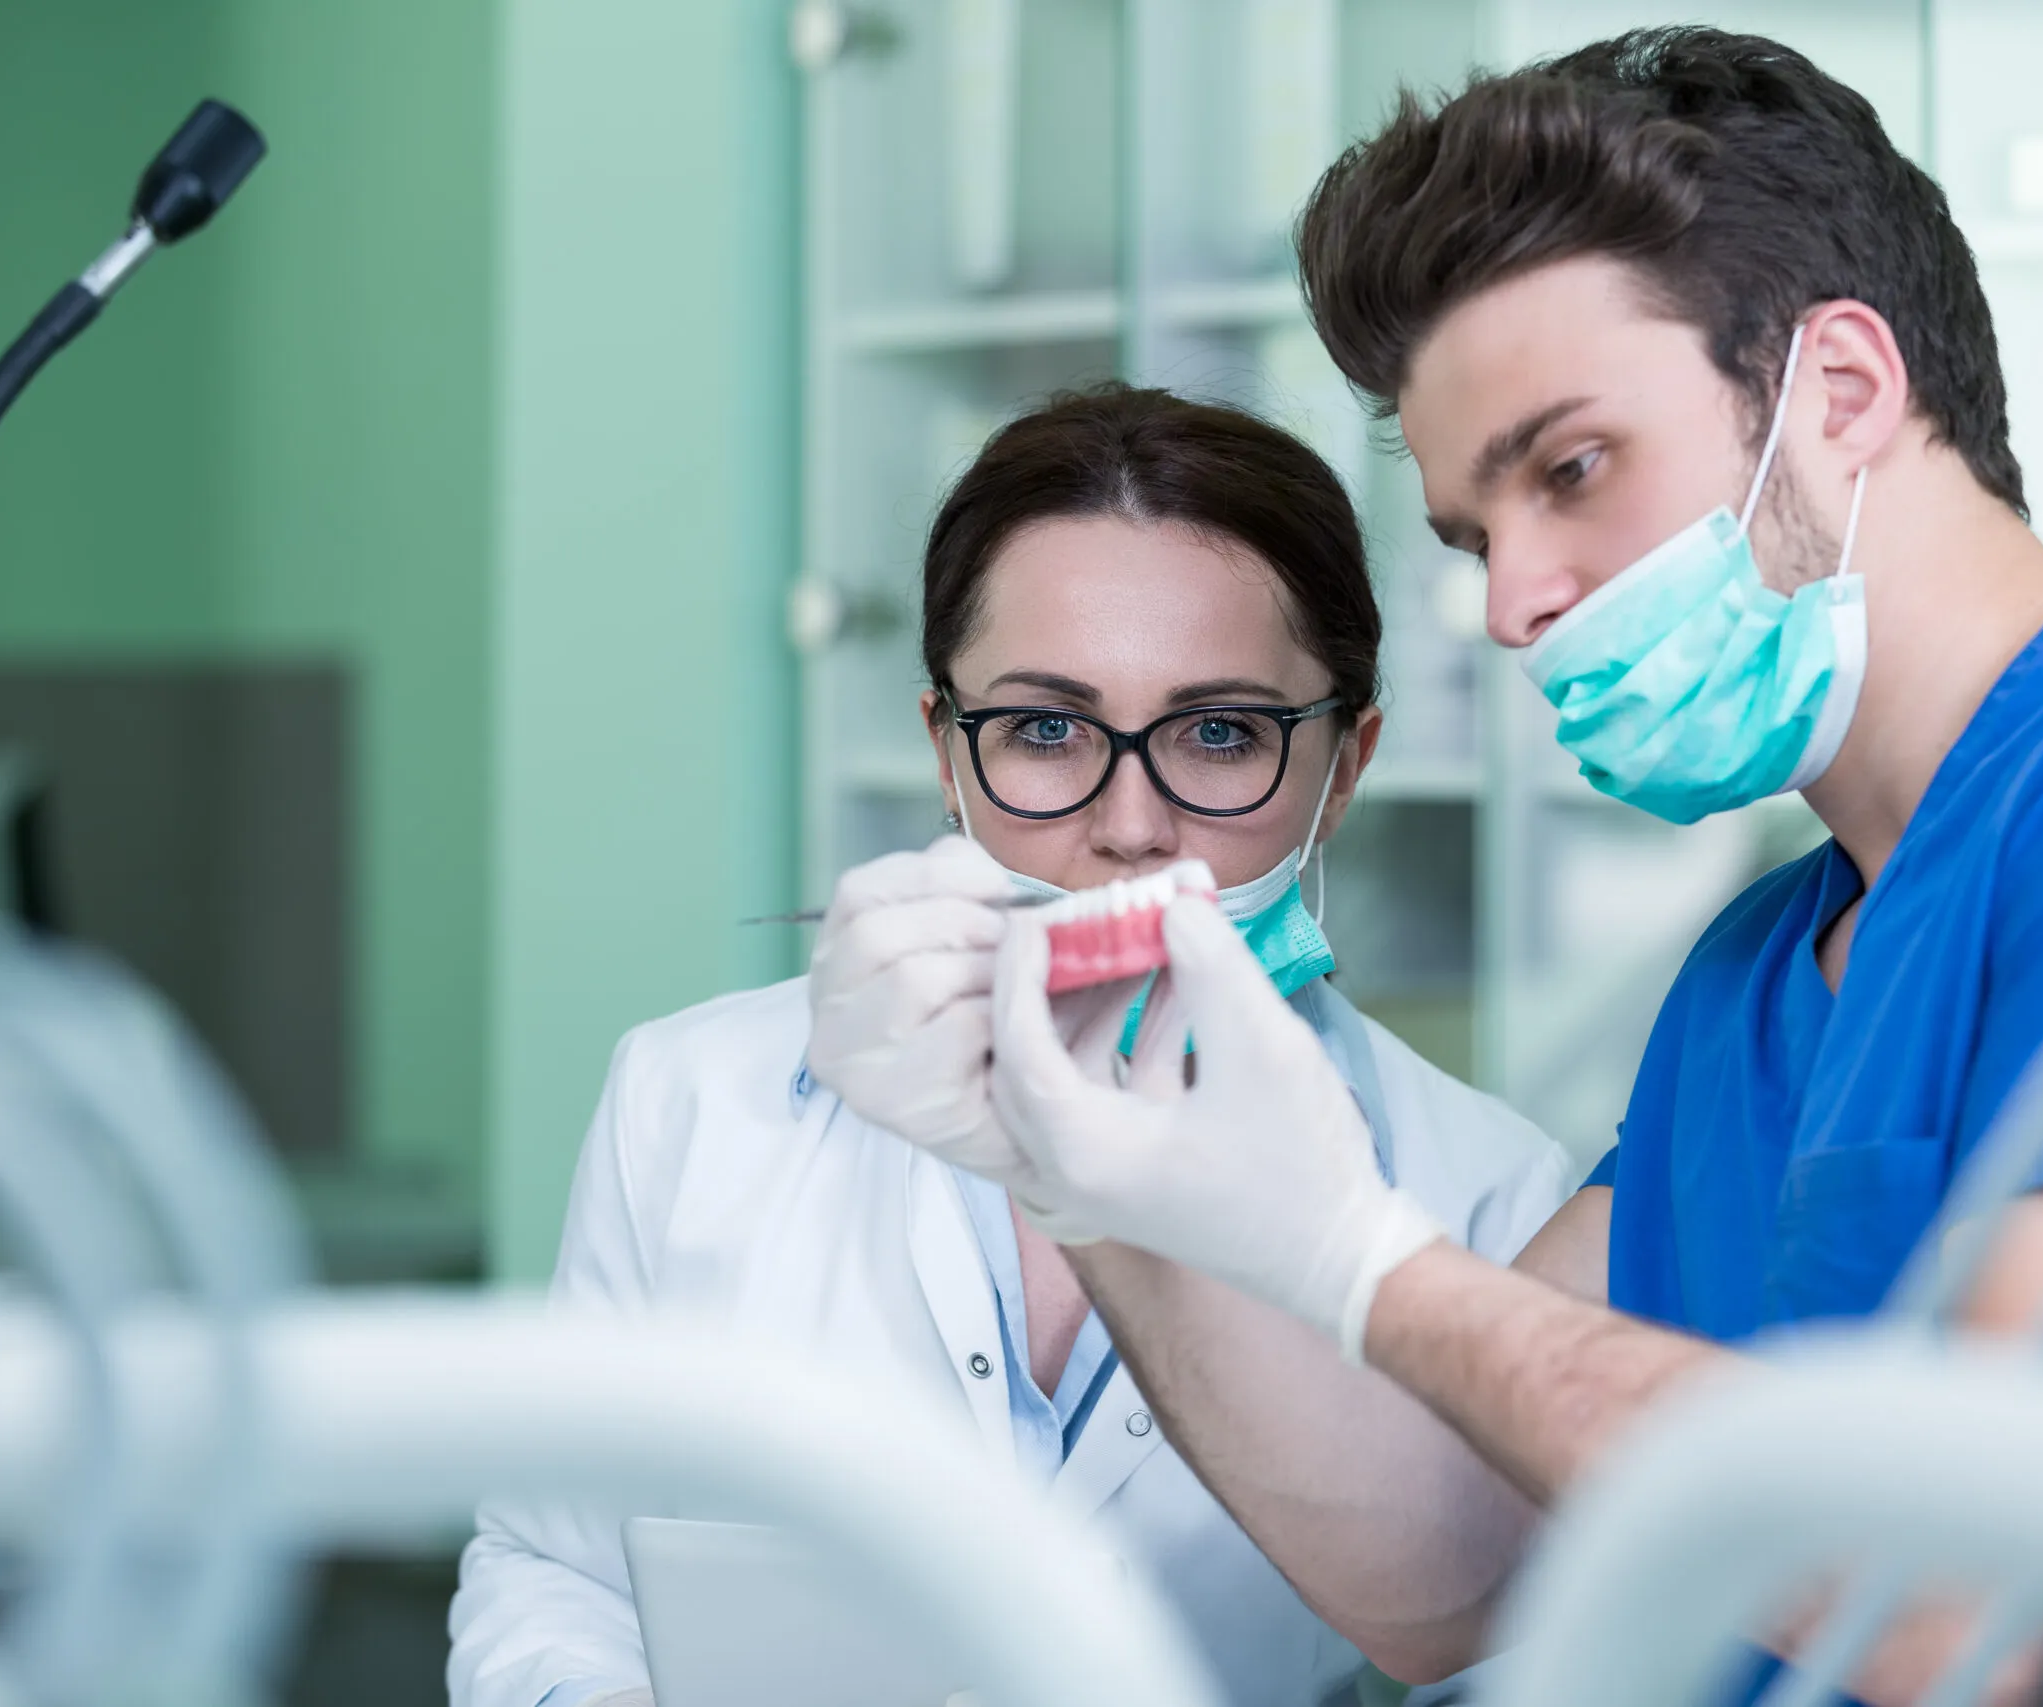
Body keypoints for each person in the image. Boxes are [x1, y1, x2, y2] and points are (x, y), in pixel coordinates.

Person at [810, 28, 2043, 1707]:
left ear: (1842, 392)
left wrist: (1373, 1261)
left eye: (1570, 468)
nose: (1512, 597)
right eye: (1472, 534)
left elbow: (1996, 1598)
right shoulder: (1756, 974)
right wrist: (1085, 1167)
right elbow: (1445, 1567)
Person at [446, 386, 1573, 1707]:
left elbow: (1510, 1664)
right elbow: (554, 1567)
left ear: (1346, 763)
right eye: (1045, 729)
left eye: (1222, 733)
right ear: (946, 748)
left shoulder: (1493, 1198)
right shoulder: (692, 1099)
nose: (1132, 826)